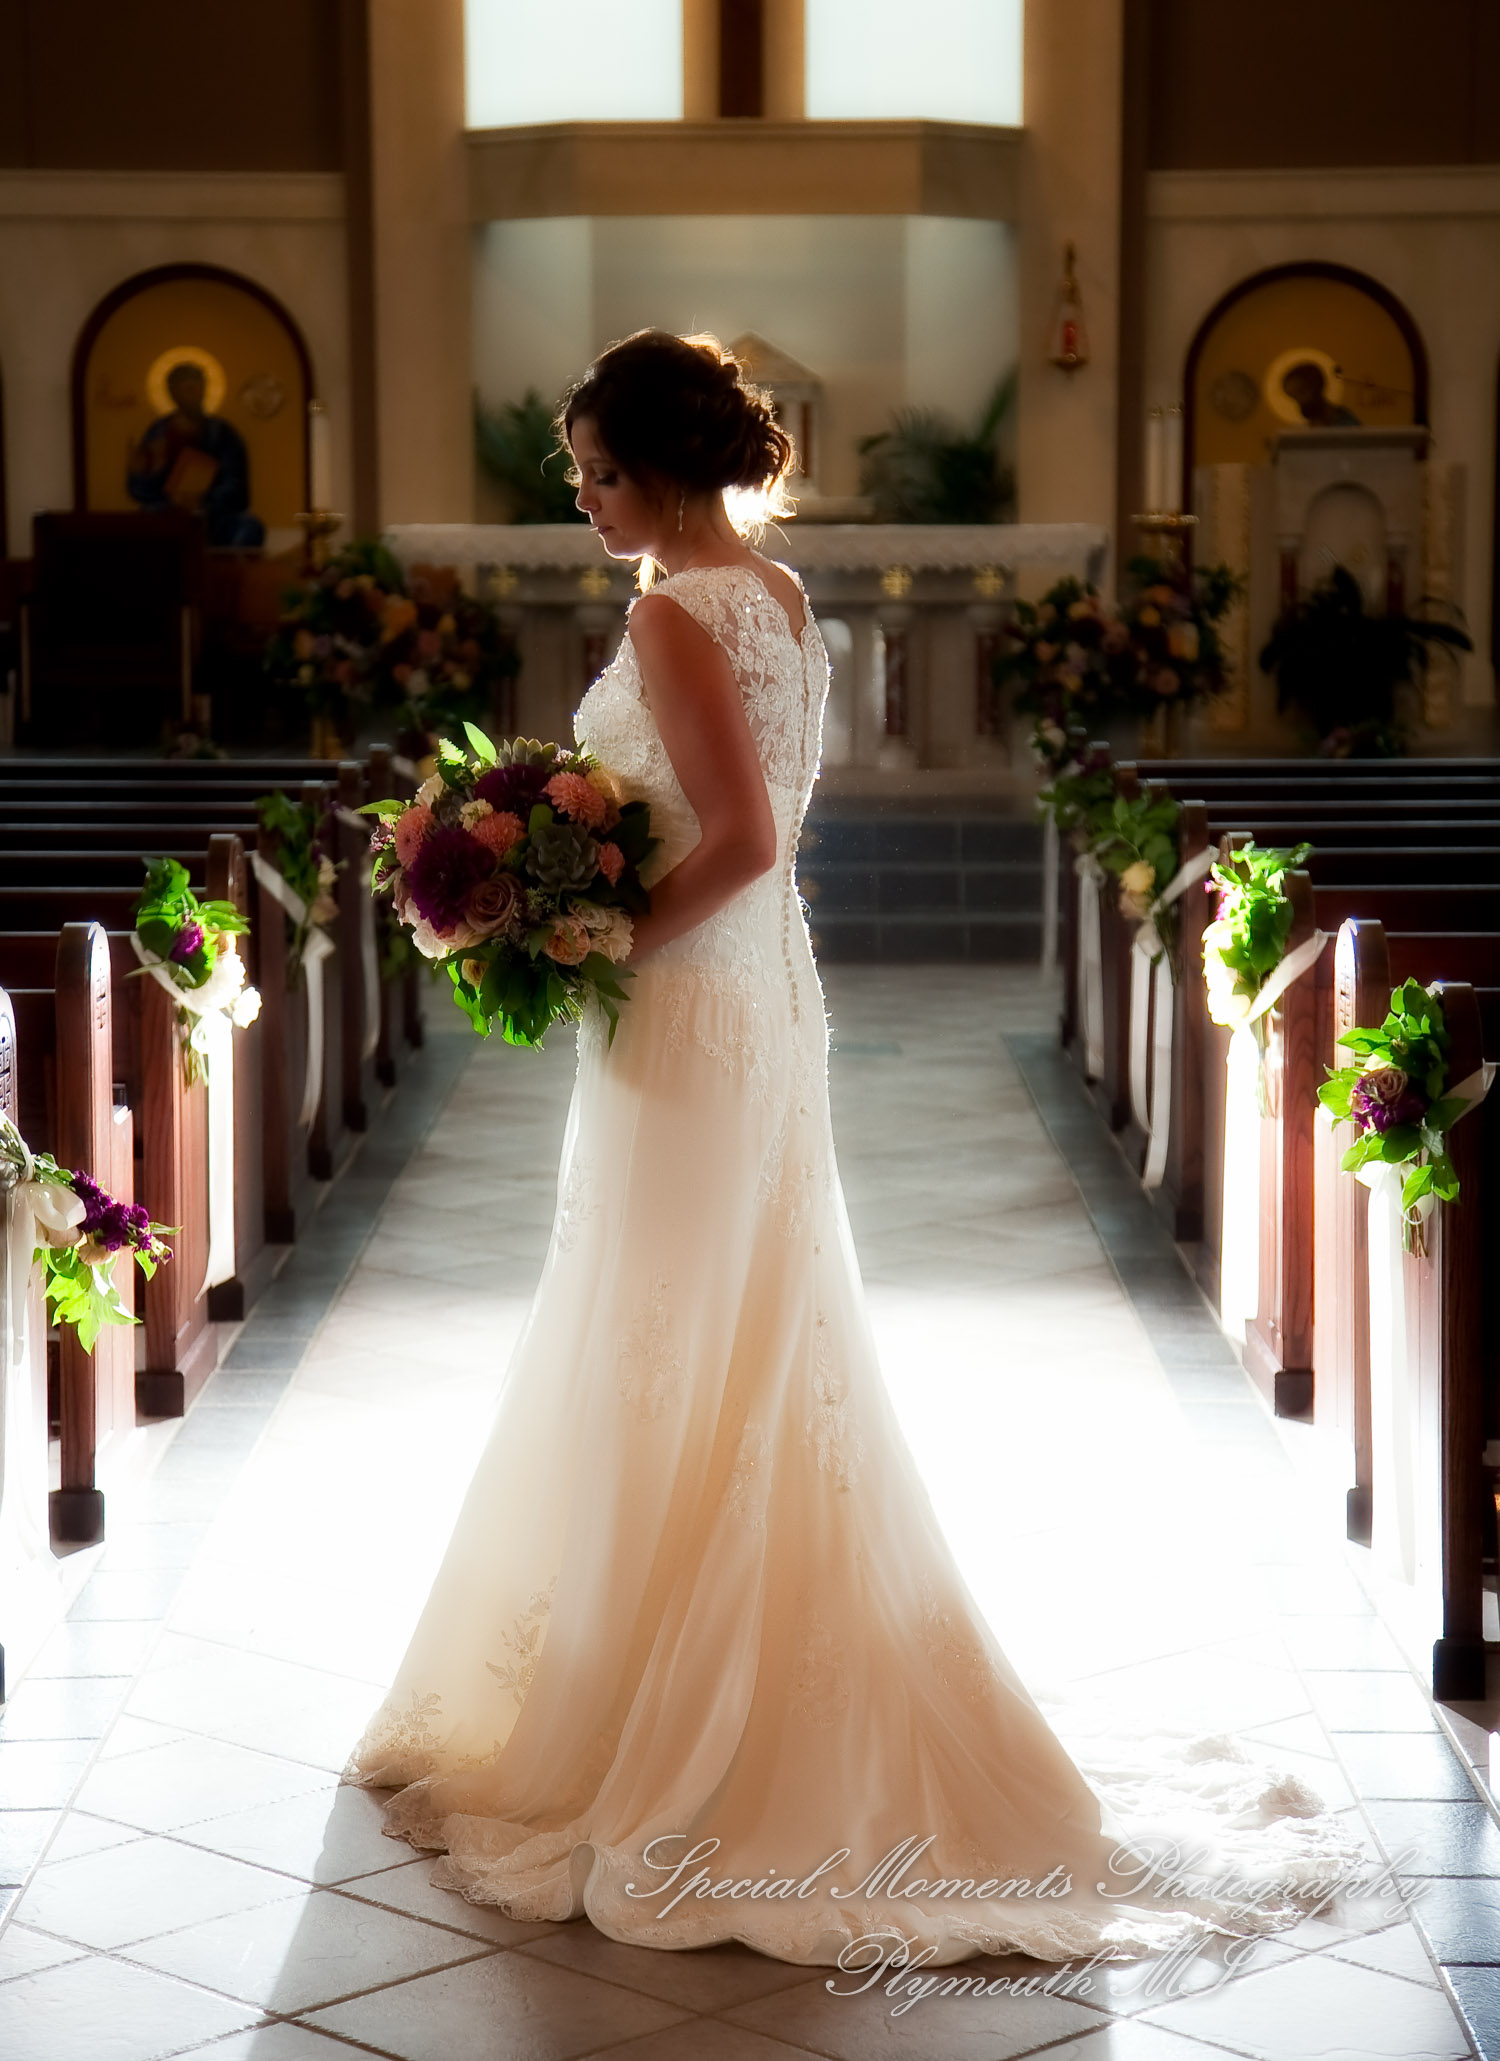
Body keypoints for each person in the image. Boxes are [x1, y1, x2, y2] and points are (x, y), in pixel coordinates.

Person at [343, 331, 1357, 1967]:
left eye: (601, 472)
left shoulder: (679, 612)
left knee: (680, 1324)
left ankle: (684, 1717)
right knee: (725, 1321)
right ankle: (692, 1653)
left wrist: (600, 936)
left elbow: (736, 838)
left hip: (693, 992)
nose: (589, 501)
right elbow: (749, 828)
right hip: (751, 990)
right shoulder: (785, 598)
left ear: (666, 464)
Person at [127, 360, 265, 547]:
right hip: (168, 515)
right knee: (145, 525)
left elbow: (238, 487)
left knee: (249, 528)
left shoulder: (222, 433)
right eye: (188, 389)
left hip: (214, 516)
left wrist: (204, 499)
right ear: (173, 393)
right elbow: (139, 492)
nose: (195, 395)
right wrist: (143, 472)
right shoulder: (158, 433)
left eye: (199, 388)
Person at [1281, 360, 1361, 428]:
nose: (1299, 400)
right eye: (1293, 396)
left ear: (1317, 386)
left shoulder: (1347, 424)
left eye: (1302, 392)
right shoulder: (1308, 428)